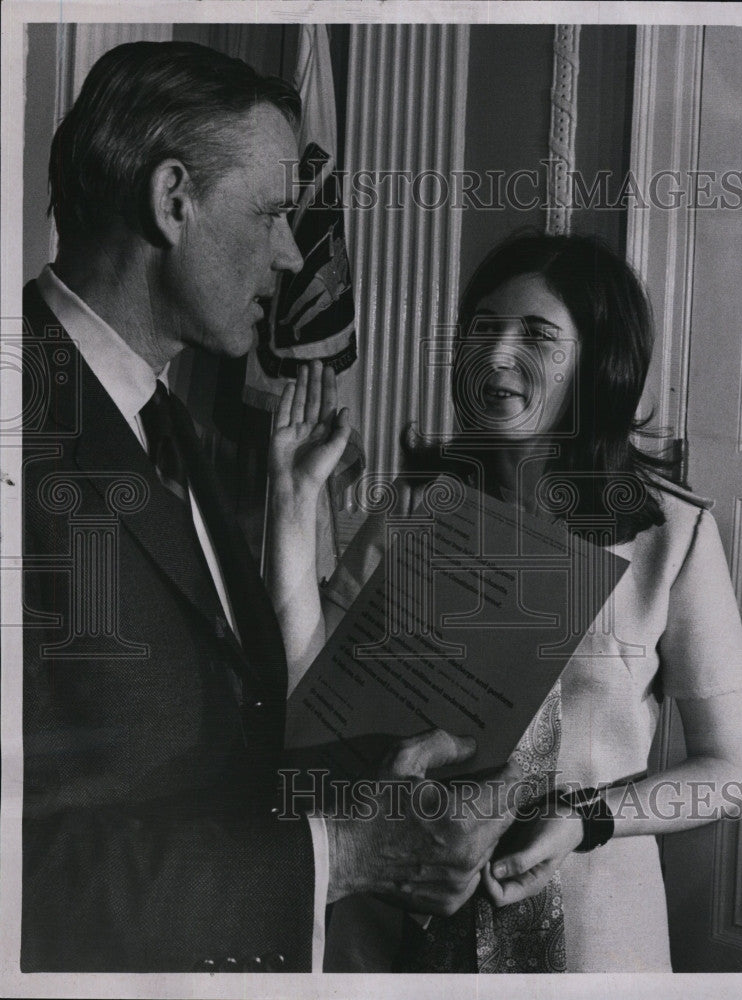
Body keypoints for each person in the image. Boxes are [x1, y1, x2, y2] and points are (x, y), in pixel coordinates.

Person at [20, 40, 523, 972]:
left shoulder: (166, 420)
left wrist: (384, 783)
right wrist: (343, 856)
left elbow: (233, 740)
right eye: (275, 214)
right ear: (174, 200)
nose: (296, 255)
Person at [313, 233, 742, 972]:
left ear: (595, 361)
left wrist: (585, 821)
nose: (496, 354)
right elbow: (318, 710)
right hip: (404, 927)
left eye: (537, 335)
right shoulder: (413, 511)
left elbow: (732, 774)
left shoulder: (671, 536)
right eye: (482, 329)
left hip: (598, 941)